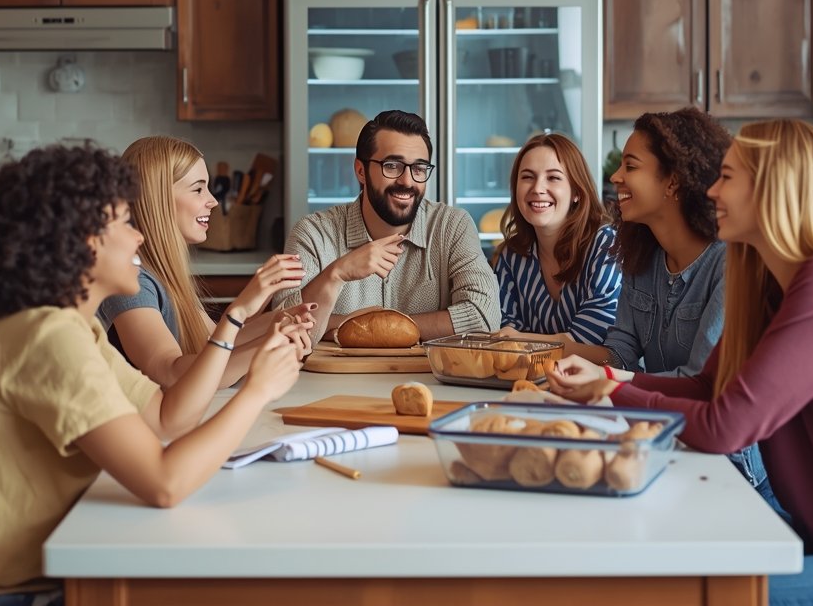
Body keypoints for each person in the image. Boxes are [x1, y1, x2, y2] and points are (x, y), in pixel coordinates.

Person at [0, 145, 307, 606]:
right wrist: (257, 391)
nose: (138, 238)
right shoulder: (48, 338)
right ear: (85, 241)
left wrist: (250, 343)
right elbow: (164, 484)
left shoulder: (77, 327)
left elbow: (168, 418)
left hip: (23, 579)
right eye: (125, 223)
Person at [549, 119, 813, 605]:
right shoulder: (766, 282)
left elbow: (727, 425)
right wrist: (610, 377)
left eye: (727, 177)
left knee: (693, 595)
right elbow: (709, 387)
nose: (713, 189)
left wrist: (612, 391)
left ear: (772, 187)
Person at [555, 109, 771, 493]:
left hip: (726, 468)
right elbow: (620, 350)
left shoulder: (729, 263)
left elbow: (700, 382)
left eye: (630, 166)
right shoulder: (643, 254)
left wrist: (606, 381)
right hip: (659, 445)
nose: (615, 177)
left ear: (673, 181)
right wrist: (565, 355)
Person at [98, 136, 314, 388]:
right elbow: (171, 372)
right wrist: (247, 317)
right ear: (159, 199)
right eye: (198, 189)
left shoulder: (164, 276)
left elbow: (211, 341)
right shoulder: (132, 284)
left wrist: (278, 323)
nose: (212, 200)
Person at [274, 110, 500, 342]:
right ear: (361, 171)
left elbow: (483, 316)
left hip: (427, 379)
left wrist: (369, 330)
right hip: (336, 379)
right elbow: (282, 325)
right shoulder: (313, 234)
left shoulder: (452, 227)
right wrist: (335, 274)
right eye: (392, 166)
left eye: (419, 169)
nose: (407, 181)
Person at [491, 132, 622, 351]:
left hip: (601, 382)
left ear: (576, 192)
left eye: (553, 177)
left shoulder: (604, 245)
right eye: (527, 177)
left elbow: (590, 339)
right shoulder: (511, 256)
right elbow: (505, 338)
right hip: (531, 381)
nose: (537, 189)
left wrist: (521, 339)